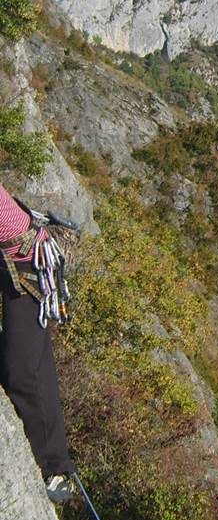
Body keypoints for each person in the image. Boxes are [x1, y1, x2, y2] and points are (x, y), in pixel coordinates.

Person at [0, 183, 75, 503]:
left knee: (24, 372)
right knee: (29, 363)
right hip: (10, 257)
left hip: (29, 264)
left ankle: (55, 468)